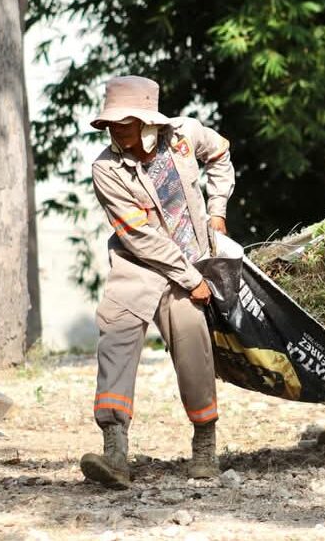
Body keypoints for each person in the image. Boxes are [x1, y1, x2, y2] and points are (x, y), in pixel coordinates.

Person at [79, 75, 235, 489]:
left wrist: (216, 212)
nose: (114, 131)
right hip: (138, 266)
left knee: (192, 344)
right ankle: (115, 452)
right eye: (110, 124)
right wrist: (189, 275)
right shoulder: (106, 169)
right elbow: (139, 237)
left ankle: (204, 446)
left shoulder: (186, 135)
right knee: (116, 338)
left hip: (190, 265)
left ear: (147, 122)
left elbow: (221, 155)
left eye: (123, 124)